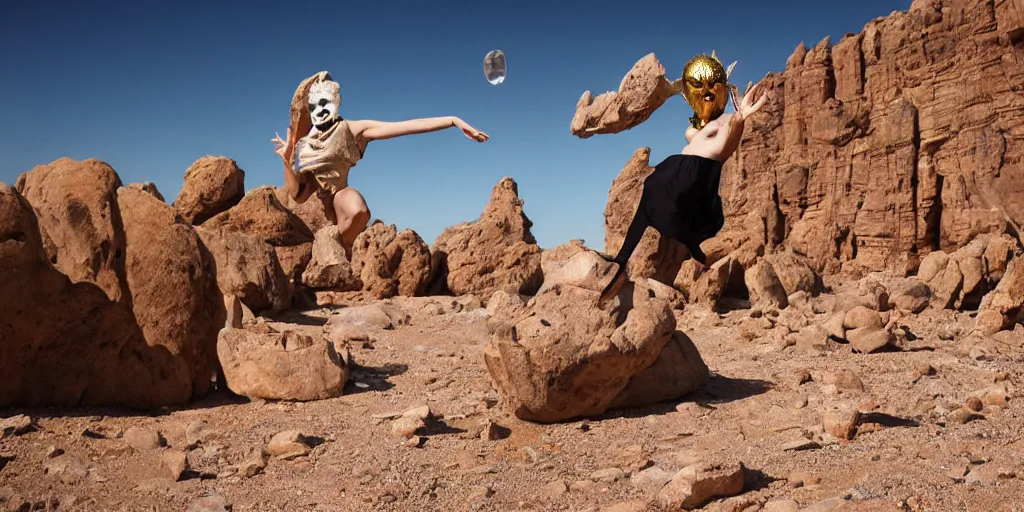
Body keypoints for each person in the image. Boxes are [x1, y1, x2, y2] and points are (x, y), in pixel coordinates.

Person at [597, 55, 768, 307]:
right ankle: (619, 266)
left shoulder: (725, 128)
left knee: (665, 214)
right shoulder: (703, 127)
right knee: (645, 210)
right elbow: (692, 132)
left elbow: (728, 140)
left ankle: (690, 244)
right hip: (675, 169)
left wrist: (741, 115)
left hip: (694, 174)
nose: (705, 95)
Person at [271, 71, 489, 258]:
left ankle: (340, 247)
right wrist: (287, 156)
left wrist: (453, 121)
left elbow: (406, 126)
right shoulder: (306, 143)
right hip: (315, 198)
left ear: (335, 104)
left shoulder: (351, 129)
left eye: (325, 103)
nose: (320, 110)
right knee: (305, 192)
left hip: (339, 195)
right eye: (315, 105)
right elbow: (297, 195)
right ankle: (330, 248)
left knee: (359, 211)